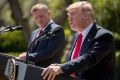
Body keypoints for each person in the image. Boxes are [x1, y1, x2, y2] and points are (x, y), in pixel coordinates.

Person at [41, 1, 116, 80]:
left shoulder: (104, 36)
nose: (69, 18)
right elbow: (74, 62)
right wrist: (58, 66)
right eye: (68, 15)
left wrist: (62, 68)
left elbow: (89, 58)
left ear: (86, 15)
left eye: (73, 14)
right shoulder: (77, 35)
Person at [17, 3, 65, 67]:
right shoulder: (34, 33)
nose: (39, 20)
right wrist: (24, 56)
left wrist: (28, 57)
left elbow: (49, 52)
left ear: (49, 14)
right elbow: (31, 52)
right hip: (31, 71)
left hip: (48, 73)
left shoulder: (56, 30)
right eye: (36, 17)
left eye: (41, 16)